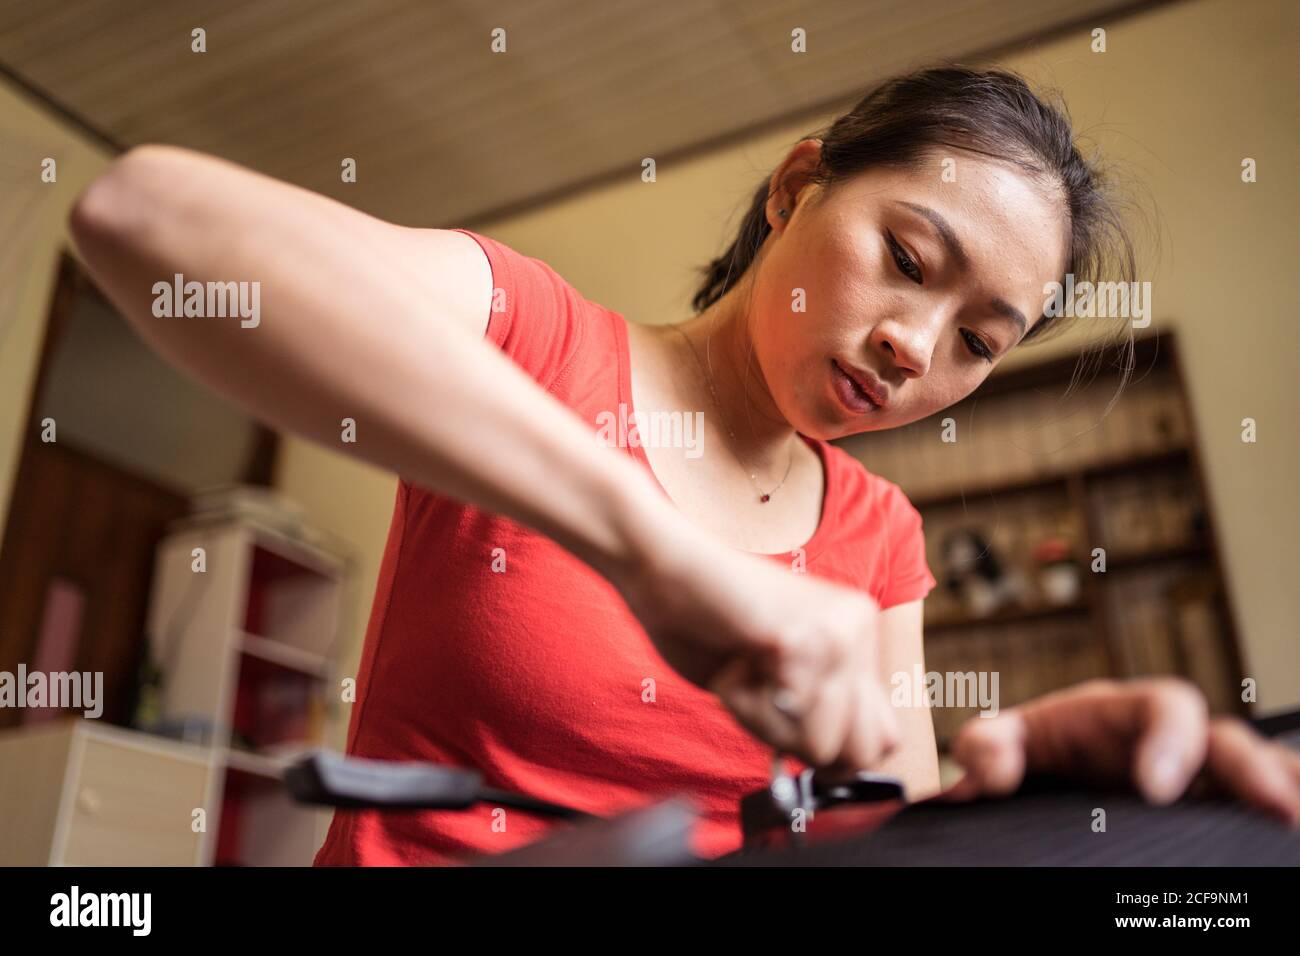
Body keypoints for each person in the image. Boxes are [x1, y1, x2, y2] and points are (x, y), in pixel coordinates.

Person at [68, 65, 1300, 864]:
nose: (913, 346)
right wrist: (652, 550)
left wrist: (1021, 791)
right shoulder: (537, 338)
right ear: (796, 187)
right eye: (909, 259)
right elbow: (144, 220)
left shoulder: (878, 537)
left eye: (979, 343)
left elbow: (875, 831)